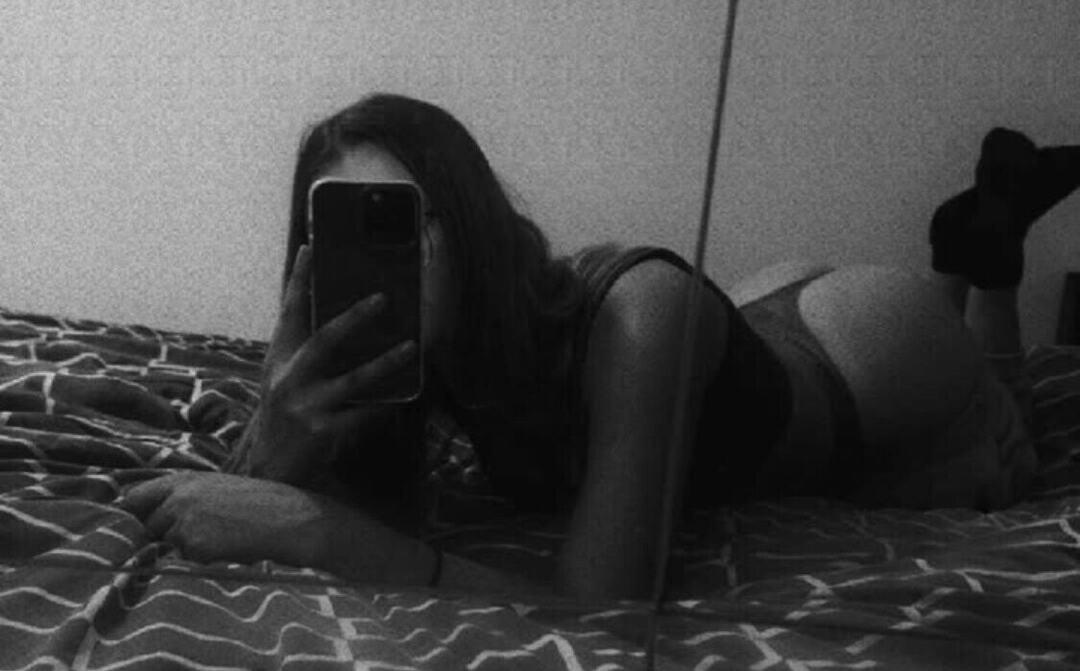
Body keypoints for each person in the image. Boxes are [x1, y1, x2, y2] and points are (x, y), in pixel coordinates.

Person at [121, 96, 1077, 604]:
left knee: (1010, 441)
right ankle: (973, 235)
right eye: (343, 237)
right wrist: (280, 426)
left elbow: (603, 605)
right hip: (748, 320)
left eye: (406, 225)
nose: (380, 270)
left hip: (862, 351)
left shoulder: (633, 318)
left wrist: (321, 531)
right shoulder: (422, 357)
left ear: (472, 224)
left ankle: (980, 256)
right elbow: (242, 506)